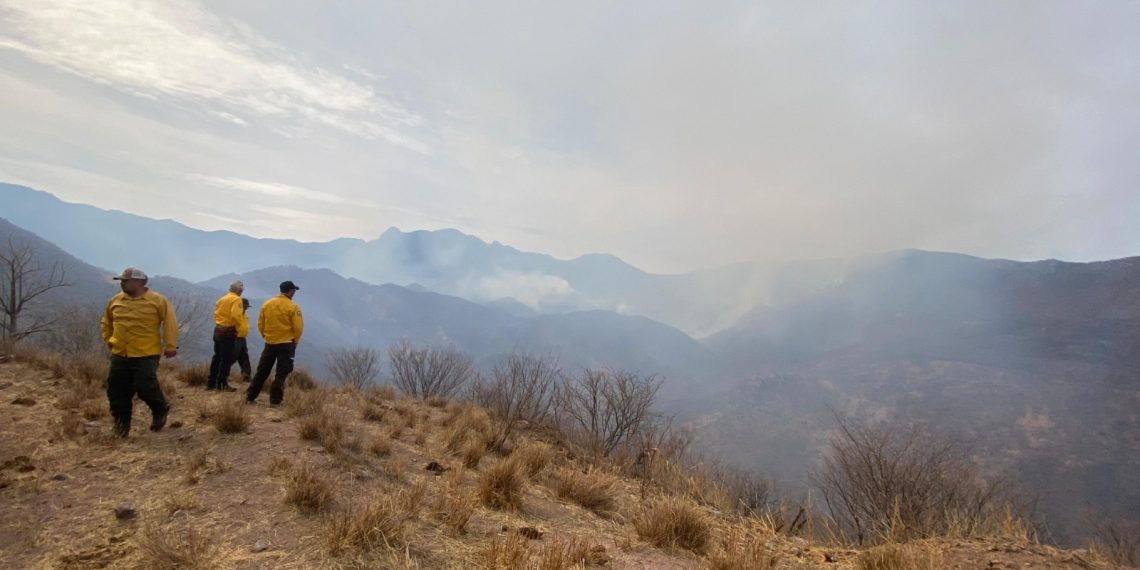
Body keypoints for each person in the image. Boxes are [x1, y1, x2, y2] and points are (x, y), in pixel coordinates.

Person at [100, 267, 178, 437]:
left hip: (146, 353)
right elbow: (106, 322)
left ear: (140, 282)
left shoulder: (158, 301)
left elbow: (170, 323)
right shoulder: (116, 300)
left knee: (145, 387)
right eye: (121, 281)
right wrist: (109, 339)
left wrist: (170, 346)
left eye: (126, 281)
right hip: (120, 353)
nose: (122, 283)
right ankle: (121, 426)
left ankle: (159, 408)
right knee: (116, 390)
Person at [246, 280, 303, 406]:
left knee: (262, 371)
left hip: (270, 342)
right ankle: (275, 400)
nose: (294, 293)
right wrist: (296, 341)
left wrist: (265, 335)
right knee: (281, 373)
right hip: (286, 343)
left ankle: (250, 396)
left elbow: (260, 323)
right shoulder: (293, 307)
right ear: (290, 291)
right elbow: (298, 327)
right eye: (294, 290)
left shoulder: (267, 304)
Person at [207, 281, 247, 392]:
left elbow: (216, 313)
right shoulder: (236, 300)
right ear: (239, 290)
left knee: (217, 357)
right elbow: (236, 316)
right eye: (241, 289)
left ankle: (211, 383)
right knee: (226, 359)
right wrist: (238, 328)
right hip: (228, 332)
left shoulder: (222, 299)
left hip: (218, 329)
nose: (242, 291)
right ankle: (222, 384)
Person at [234, 297, 253, 382]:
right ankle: (221, 375)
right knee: (232, 357)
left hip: (242, 338)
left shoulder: (244, 315)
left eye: (247, 306)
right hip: (236, 338)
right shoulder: (237, 314)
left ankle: (246, 376)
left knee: (244, 357)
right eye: (245, 306)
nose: (246, 308)